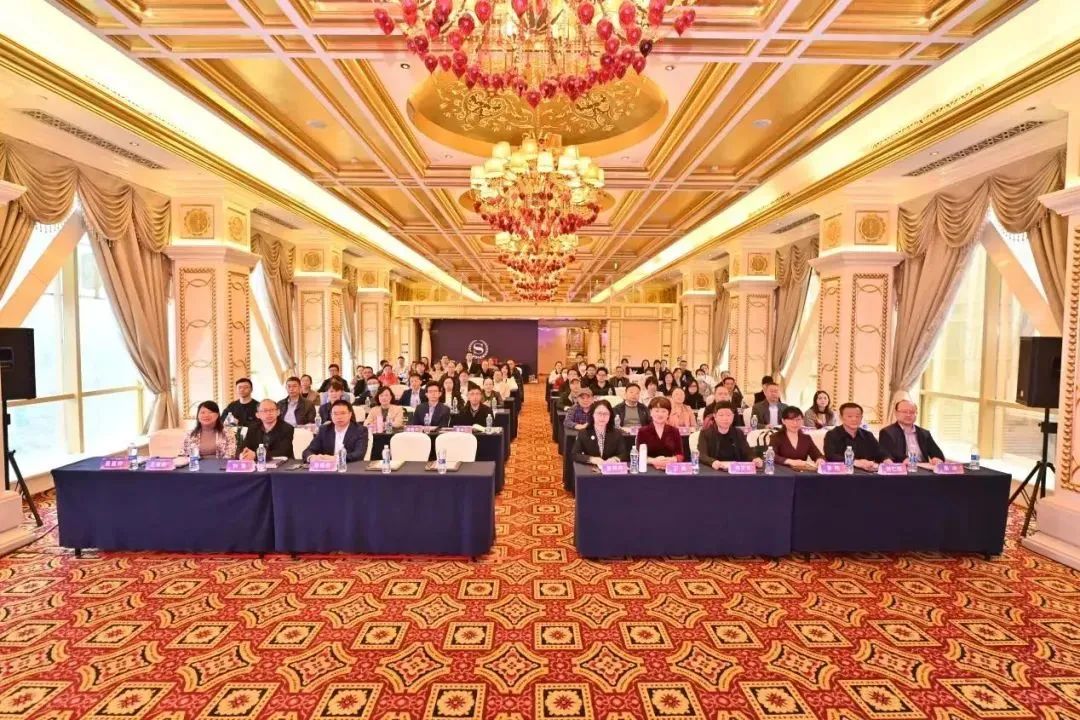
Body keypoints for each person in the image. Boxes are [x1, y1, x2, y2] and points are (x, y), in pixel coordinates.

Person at [879, 400, 945, 466]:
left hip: (923, 468)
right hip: (902, 468)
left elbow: (938, 454)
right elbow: (887, 455)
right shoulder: (887, 432)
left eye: (912, 412)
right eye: (904, 412)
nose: (908, 415)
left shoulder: (924, 433)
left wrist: (937, 459)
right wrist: (905, 459)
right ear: (896, 413)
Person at [697, 401, 759, 470]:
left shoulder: (738, 433)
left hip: (736, 470)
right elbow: (702, 455)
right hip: (714, 470)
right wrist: (712, 462)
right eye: (721, 415)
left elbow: (747, 452)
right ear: (715, 416)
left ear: (733, 416)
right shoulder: (705, 434)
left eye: (728, 415)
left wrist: (754, 459)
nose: (725, 418)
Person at [302, 399, 368, 463]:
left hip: (350, 467)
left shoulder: (360, 430)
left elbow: (359, 454)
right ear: (331, 415)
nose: (339, 417)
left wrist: (336, 458)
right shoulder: (324, 430)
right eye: (335, 414)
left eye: (343, 413)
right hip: (327, 468)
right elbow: (308, 451)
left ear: (350, 414)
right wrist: (312, 457)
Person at [824, 402, 885, 470]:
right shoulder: (832, 435)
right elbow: (830, 456)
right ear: (841, 417)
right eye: (850, 416)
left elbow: (880, 453)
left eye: (857, 416)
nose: (854, 419)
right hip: (842, 474)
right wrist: (854, 462)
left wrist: (886, 460)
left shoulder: (868, 435)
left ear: (861, 418)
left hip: (867, 473)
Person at [572, 400, 628, 465]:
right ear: (592, 414)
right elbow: (575, 454)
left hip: (610, 468)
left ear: (610, 416)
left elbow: (624, 454)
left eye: (606, 414)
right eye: (599, 413)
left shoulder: (617, 433)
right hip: (590, 469)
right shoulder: (584, 433)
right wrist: (591, 459)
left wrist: (615, 459)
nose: (602, 417)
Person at [635, 397, 684, 468]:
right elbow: (639, 455)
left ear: (668, 414)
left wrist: (670, 460)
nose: (660, 414)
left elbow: (680, 455)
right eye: (657, 411)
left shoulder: (674, 431)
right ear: (650, 412)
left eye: (663, 411)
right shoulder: (642, 431)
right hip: (648, 468)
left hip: (669, 467)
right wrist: (653, 461)